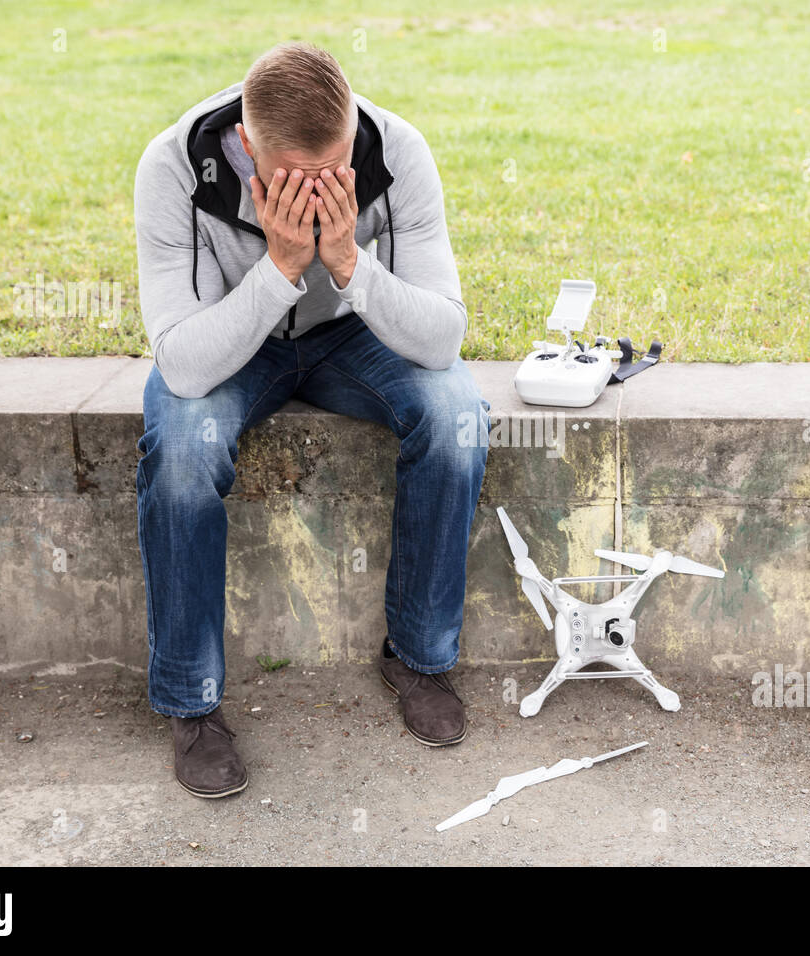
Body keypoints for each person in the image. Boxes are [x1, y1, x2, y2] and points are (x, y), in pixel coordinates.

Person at [133, 41, 489, 798]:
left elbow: (440, 339)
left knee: (457, 417)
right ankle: (191, 701)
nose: (325, 191)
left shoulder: (396, 150)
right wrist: (282, 269)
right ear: (247, 148)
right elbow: (185, 365)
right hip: (234, 339)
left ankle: (419, 658)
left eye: (337, 173)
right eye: (299, 182)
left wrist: (350, 266)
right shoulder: (172, 166)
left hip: (359, 333)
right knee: (183, 452)